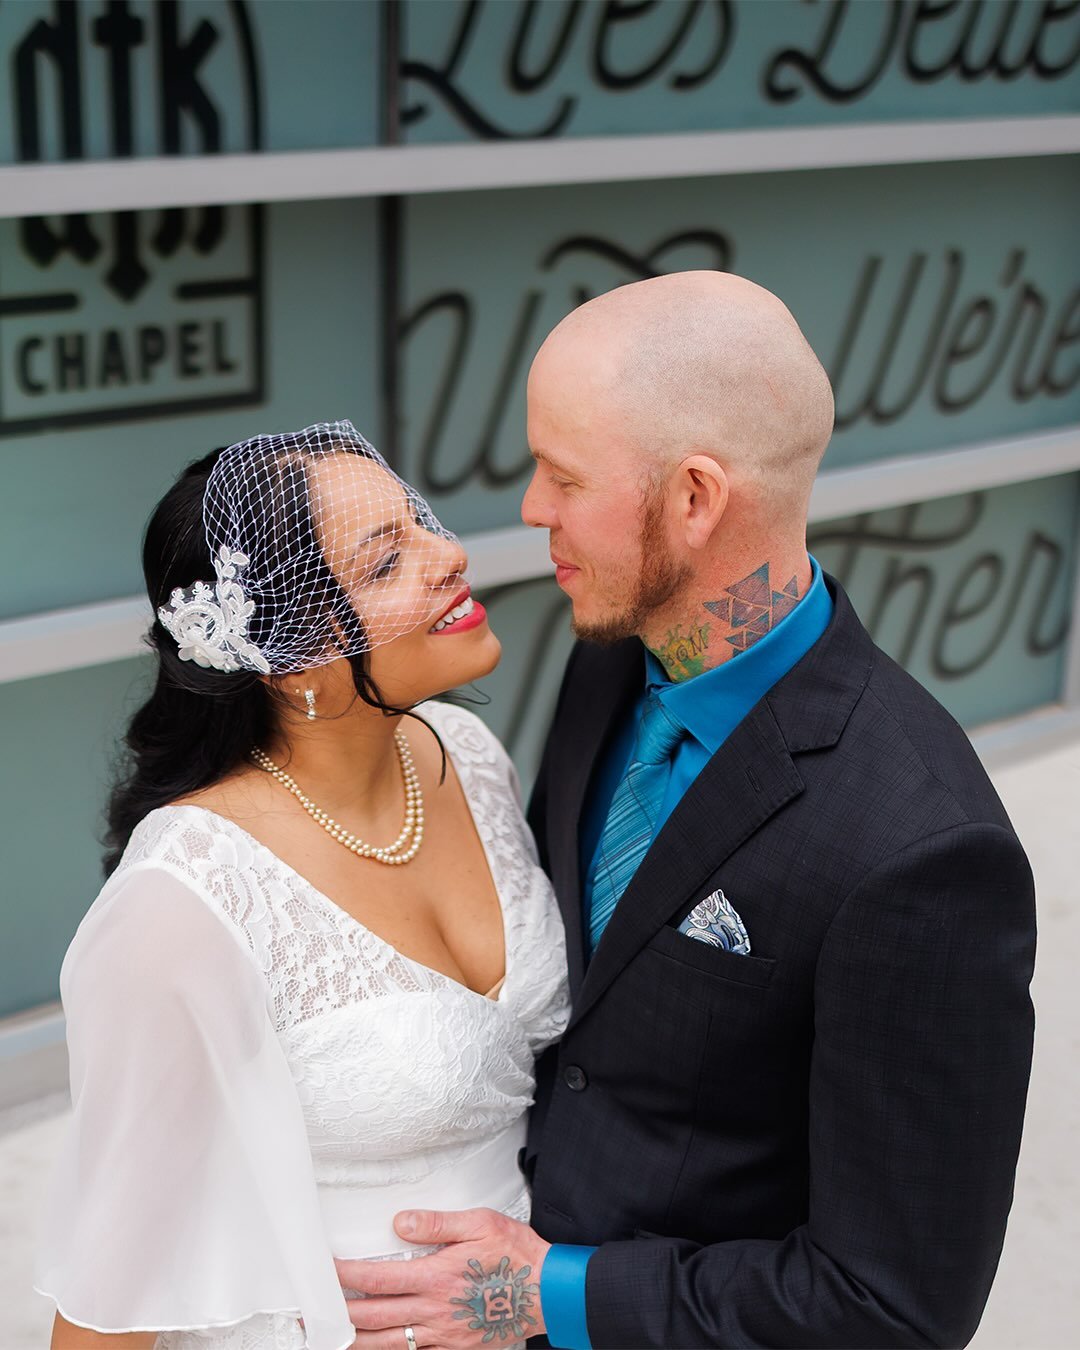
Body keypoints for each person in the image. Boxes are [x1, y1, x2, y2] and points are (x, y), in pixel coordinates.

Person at [337, 273, 1036, 1349]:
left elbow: (891, 1309)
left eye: (565, 476)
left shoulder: (924, 850)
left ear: (695, 498)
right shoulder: (609, 656)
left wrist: (546, 1296)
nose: (531, 508)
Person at [35, 421, 569, 1350]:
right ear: (289, 658)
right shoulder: (183, 899)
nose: (449, 555)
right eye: (387, 561)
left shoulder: (468, 754)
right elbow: (111, 1291)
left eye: (421, 521)